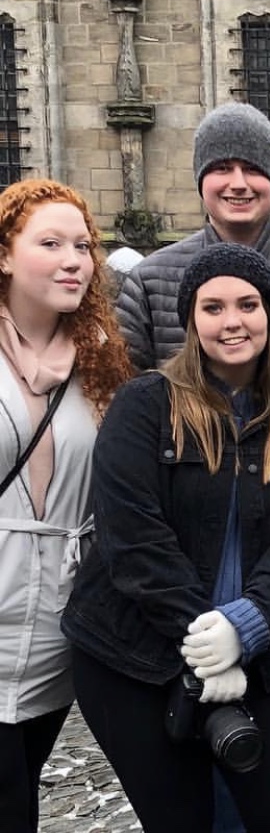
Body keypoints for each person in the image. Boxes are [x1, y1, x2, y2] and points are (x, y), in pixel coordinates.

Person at [114, 100, 270, 832]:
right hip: (187, 545)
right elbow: (119, 405)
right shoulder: (152, 281)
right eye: (221, 168)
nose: (238, 182)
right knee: (196, 707)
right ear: (200, 181)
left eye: (253, 167)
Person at [62, 243, 270, 832]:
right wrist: (206, 646)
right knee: (182, 820)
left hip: (260, 653)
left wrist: (245, 627)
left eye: (247, 304)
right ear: (191, 320)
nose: (232, 321)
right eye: (212, 308)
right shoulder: (146, 405)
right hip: (135, 656)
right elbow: (133, 538)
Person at [0, 179, 132, 832]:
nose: (73, 259)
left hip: (55, 635)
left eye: (83, 245)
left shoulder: (100, 362)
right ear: (4, 254)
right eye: (50, 243)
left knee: (22, 792)